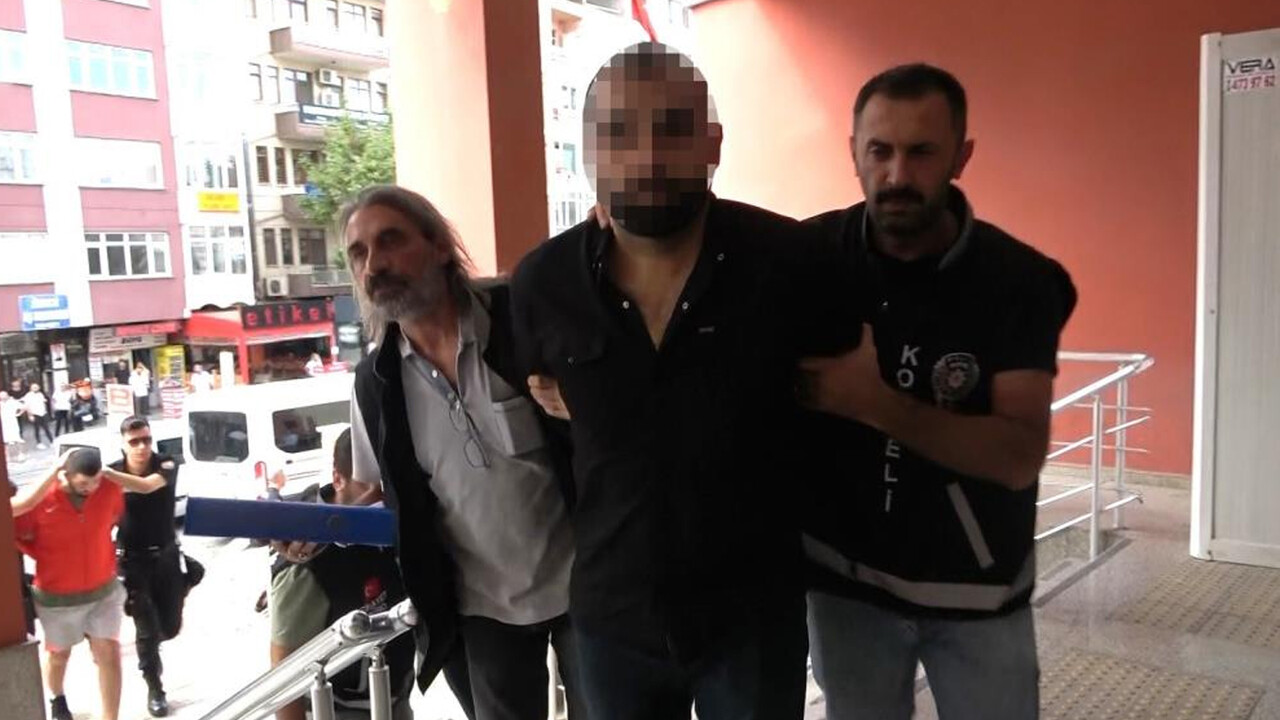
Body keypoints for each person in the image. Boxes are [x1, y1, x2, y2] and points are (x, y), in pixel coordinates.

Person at [511, 42, 858, 720]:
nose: (645, 156)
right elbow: (545, 430)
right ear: (587, 154)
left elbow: (833, 413)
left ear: (713, 144)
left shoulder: (791, 264)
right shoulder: (544, 284)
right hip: (612, 625)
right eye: (618, 133)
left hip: (753, 622)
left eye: (671, 128)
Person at [796, 64, 1077, 720]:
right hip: (846, 587)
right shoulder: (807, 257)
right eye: (880, 151)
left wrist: (872, 403)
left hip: (978, 594)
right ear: (853, 154)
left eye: (921, 152)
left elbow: (1017, 454)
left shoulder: (1019, 282)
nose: (897, 175)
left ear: (961, 157)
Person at [338, 184, 584, 720]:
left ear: (440, 246)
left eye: (391, 240)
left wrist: (584, 401)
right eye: (359, 253)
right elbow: (369, 491)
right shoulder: (375, 384)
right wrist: (308, 533)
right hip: (480, 612)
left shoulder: (522, 320)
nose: (374, 264)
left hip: (587, 587)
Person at [269, 428, 416, 720]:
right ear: (338, 479)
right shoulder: (308, 557)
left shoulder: (398, 525)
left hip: (393, 695)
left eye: (387, 485)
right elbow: (284, 674)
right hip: (335, 708)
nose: (379, 498)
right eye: (368, 486)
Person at [11, 448, 169, 720]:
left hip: (103, 590)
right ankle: (57, 697)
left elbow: (114, 516)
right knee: (59, 655)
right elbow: (16, 524)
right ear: (66, 475)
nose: (92, 488)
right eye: (84, 483)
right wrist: (47, 557)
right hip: (57, 596)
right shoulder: (42, 497)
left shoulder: (108, 490)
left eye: (96, 481)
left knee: (109, 653)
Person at [110, 415, 198, 717]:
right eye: (134, 441)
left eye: (146, 439)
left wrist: (109, 477)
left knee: (169, 629)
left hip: (166, 557)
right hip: (132, 562)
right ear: (123, 444)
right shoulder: (113, 471)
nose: (141, 447)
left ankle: (184, 585)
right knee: (146, 630)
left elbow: (148, 487)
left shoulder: (166, 463)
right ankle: (154, 688)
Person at [23, 383, 53, 449]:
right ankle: (39, 443)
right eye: (34, 387)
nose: (35, 388)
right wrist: (30, 415)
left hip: (43, 413)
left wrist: (45, 412)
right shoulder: (28, 396)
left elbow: (43, 403)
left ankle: (51, 441)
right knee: (37, 429)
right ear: (31, 388)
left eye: (36, 387)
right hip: (35, 414)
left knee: (46, 428)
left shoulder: (40, 394)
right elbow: (27, 406)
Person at [2, 391, 26, 462]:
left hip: (12, 422)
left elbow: (24, 407)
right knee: (5, 441)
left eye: (4, 395)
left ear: (7, 395)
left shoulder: (13, 402)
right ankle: (7, 456)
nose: (2, 397)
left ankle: (21, 454)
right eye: (1, 396)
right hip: (3, 423)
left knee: (17, 439)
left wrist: (19, 414)